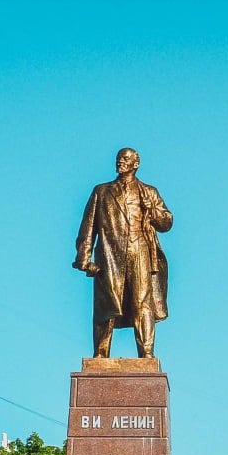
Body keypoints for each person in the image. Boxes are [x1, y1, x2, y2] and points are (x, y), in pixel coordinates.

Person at [73, 147, 173, 358]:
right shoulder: (101, 191)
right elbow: (88, 226)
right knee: (106, 305)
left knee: (142, 303)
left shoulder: (149, 192)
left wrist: (152, 211)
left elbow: (167, 222)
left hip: (140, 251)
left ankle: (146, 355)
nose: (120, 161)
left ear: (136, 164)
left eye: (126, 158)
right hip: (109, 254)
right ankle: (100, 355)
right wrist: (84, 257)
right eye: (119, 158)